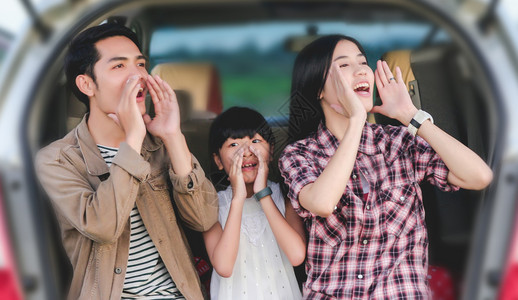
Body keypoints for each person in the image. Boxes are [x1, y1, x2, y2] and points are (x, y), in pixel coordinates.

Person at [279, 35, 493, 299]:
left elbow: (479, 176)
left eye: (362, 62)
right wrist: (357, 118)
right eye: (343, 66)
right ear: (318, 89)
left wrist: (411, 116)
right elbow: (322, 202)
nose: (360, 71)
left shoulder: (398, 141)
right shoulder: (299, 154)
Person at [35, 23, 218, 300]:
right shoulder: (57, 160)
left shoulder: (159, 143)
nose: (139, 76)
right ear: (86, 84)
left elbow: (204, 219)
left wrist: (173, 136)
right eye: (119, 67)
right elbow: (104, 227)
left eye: (141, 64)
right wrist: (132, 138)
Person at [203, 107, 306, 299]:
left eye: (256, 141)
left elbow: (297, 255)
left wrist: (263, 194)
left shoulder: (285, 196)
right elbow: (224, 267)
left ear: (271, 150)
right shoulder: (211, 206)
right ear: (218, 160)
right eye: (233, 145)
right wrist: (238, 198)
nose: (246, 151)